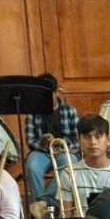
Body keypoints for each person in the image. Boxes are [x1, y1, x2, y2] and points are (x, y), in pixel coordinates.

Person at [23, 74, 79, 211]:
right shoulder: (33, 112)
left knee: (69, 164)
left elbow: (77, 140)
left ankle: (43, 203)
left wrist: (57, 143)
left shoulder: (70, 111)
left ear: (57, 92)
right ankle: (40, 211)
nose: (45, 98)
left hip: (63, 151)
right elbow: (30, 140)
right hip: (41, 152)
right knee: (31, 166)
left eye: (48, 94)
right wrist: (46, 145)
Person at [61, 114, 110, 215]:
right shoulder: (69, 173)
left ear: (108, 140)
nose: (93, 142)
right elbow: (66, 215)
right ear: (79, 141)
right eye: (86, 137)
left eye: (98, 137)